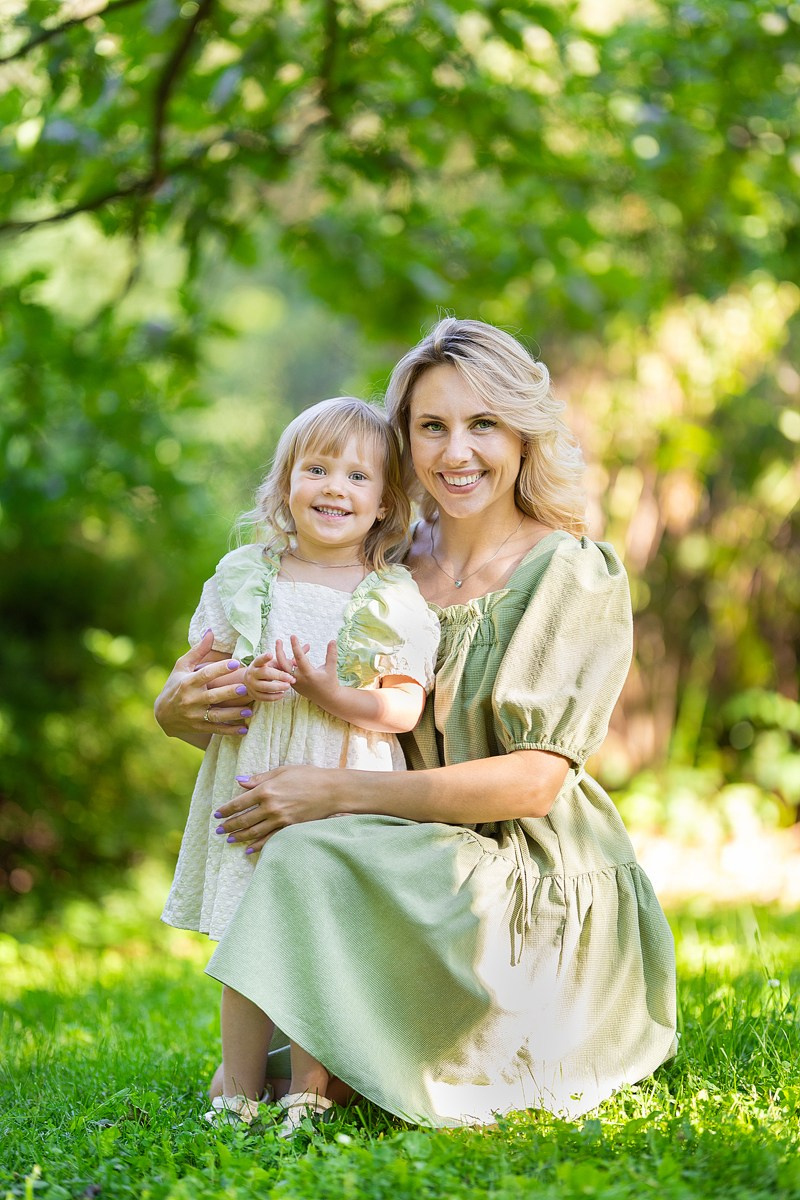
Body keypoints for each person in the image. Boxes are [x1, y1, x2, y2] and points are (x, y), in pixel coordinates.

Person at [155, 318, 677, 1130]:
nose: (455, 451)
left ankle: (340, 1064)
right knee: (306, 857)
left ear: (524, 434)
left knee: (310, 849)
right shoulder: (377, 564)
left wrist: (336, 793)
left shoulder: (570, 572)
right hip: (397, 850)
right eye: (432, 425)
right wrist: (175, 709)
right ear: (403, 439)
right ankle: (300, 1072)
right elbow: (282, 724)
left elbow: (534, 783)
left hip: (526, 873)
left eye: (484, 424)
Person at [157, 396, 440, 1133]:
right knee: (249, 940)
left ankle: (310, 1089)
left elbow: (402, 710)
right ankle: (237, 1090)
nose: (334, 488)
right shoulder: (247, 575)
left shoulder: (388, 596)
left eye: (357, 476)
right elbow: (198, 683)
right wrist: (245, 683)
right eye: (316, 468)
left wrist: (328, 689)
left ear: (384, 504)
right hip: (255, 776)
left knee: (323, 939)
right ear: (286, 483)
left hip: (340, 786)